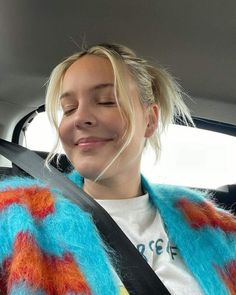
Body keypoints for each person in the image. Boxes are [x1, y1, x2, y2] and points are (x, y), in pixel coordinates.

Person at [0, 43, 235, 295]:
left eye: (106, 101)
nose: (79, 118)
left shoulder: (213, 225)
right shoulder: (15, 214)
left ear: (150, 120)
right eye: (68, 109)